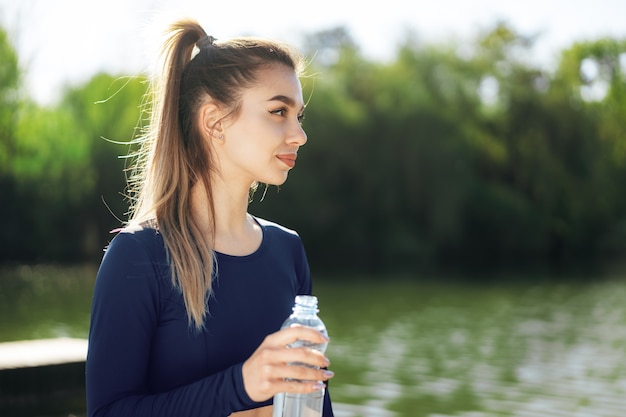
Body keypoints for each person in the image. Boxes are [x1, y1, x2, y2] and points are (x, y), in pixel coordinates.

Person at [85, 18, 334, 417]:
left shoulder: (288, 249)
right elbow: (109, 411)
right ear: (215, 122)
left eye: (298, 116)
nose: (299, 134)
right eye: (278, 111)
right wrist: (242, 385)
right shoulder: (138, 255)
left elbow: (315, 406)